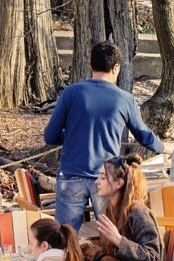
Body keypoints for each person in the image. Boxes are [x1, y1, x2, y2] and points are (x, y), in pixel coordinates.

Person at [44, 42, 166, 231]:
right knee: (111, 236)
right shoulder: (126, 99)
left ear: (90, 63)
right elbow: (143, 134)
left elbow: (50, 136)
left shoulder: (70, 93)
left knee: (66, 239)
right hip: (107, 178)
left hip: (71, 175)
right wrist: (163, 148)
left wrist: (71, 137)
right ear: (116, 67)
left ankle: (67, 260)